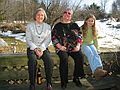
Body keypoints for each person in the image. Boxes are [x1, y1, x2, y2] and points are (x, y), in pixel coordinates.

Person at [52, 8, 85, 89]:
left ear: (71, 16)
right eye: (65, 12)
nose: (67, 14)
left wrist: (78, 46)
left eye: (69, 13)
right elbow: (53, 37)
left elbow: (80, 36)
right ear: (63, 14)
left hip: (73, 48)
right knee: (64, 58)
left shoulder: (75, 25)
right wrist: (59, 46)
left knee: (80, 56)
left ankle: (76, 78)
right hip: (62, 48)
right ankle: (64, 81)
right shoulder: (57, 26)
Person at [26, 8, 53, 90]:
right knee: (32, 60)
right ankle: (32, 84)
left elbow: (48, 39)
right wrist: (35, 49)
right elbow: (28, 39)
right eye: (38, 14)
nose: (40, 16)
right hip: (32, 48)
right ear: (35, 16)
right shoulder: (29, 26)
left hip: (43, 48)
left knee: (49, 60)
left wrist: (41, 48)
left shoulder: (48, 27)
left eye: (42, 15)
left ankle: (49, 83)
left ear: (44, 16)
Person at [80, 14, 108, 80]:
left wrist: (97, 48)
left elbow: (95, 40)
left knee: (96, 54)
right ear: (86, 21)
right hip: (83, 45)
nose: (90, 22)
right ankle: (95, 72)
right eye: (89, 21)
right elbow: (79, 39)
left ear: (94, 22)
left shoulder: (94, 29)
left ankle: (100, 70)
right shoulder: (82, 28)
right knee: (90, 54)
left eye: (92, 21)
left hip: (91, 44)